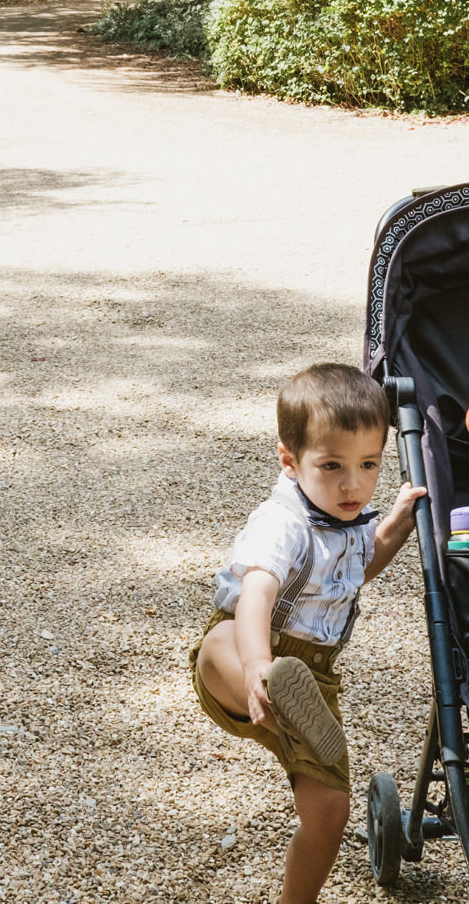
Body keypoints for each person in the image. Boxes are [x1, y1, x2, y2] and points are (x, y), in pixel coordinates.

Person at [190, 363, 425, 904]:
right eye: (332, 466)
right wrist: (257, 668)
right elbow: (257, 596)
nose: (352, 483)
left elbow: (359, 569)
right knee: (219, 644)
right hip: (249, 649)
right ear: (290, 462)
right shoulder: (284, 522)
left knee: (330, 811)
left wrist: (394, 524)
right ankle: (269, 678)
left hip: (312, 684)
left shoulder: (351, 521)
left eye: (369, 465)